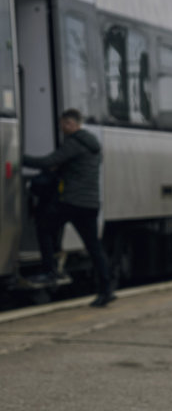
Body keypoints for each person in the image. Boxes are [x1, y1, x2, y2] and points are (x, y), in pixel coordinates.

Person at [23, 108, 116, 307]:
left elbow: (48, 161)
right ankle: (107, 290)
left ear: (71, 124)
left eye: (63, 124)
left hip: (72, 202)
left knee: (44, 227)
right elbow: (76, 168)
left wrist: (17, 157)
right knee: (94, 248)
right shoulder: (93, 146)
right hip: (90, 203)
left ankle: (50, 271)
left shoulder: (74, 143)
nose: (61, 128)